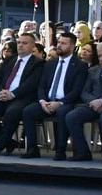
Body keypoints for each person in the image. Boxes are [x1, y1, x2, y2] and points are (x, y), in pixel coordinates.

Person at [19, 32, 88, 160]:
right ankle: (32, 149)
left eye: (63, 43)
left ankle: (60, 150)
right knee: (28, 111)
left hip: (67, 102)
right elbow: (42, 86)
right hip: (47, 101)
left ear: (72, 47)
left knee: (62, 112)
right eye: (59, 42)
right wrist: (42, 101)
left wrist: (60, 103)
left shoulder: (80, 65)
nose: (59, 46)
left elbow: (77, 90)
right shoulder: (50, 64)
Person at [0, 33, 45, 156]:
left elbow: (31, 83)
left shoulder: (38, 63)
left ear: (33, 46)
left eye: (24, 43)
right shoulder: (10, 59)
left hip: (22, 97)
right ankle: (8, 142)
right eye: (19, 42)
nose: (20, 45)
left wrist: (13, 94)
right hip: (3, 95)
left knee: (12, 113)